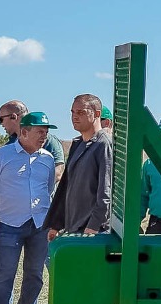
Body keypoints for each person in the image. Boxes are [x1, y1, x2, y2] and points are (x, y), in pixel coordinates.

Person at [0, 111, 59, 304]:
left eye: (46, 132)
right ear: (24, 132)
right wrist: (1, 200)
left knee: (34, 275)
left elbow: (47, 188)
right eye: (40, 132)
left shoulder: (47, 158)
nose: (44, 136)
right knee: (5, 274)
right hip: (11, 224)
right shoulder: (1, 156)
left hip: (39, 225)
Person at [46, 93, 112, 240]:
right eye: (73, 112)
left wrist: (93, 226)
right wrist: (57, 224)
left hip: (93, 231)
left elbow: (106, 192)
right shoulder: (77, 144)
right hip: (73, 228)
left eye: (81, 112)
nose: (75, 117)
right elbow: (66, 187)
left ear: (97, 114)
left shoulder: (103, 144)